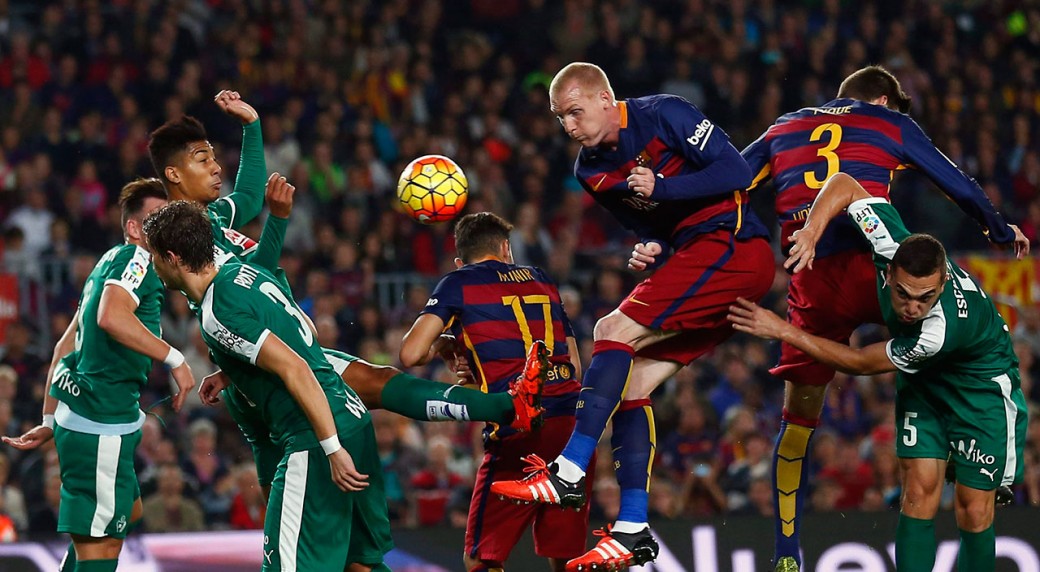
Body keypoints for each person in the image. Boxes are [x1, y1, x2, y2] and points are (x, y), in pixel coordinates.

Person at [739, 65, 1029, 572]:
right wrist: (997, 227)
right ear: (881, 100)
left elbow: (731, 185)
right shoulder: (887, 121)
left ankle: (786, 551)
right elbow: (953, 179)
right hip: (877, 269)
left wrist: (673, 237)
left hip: (812, 278)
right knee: (929, 345)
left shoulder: (783, 126)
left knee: (799, 421)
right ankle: (973, 445)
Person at [490, 62, 774, 571]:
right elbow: (651, 222)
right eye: (560, 118)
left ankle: (569, 470)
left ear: (605, 99)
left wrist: (662, 187)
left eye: (575, 112)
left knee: (610, 330)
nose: (569, 126)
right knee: (633, 380)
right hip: (700, 256)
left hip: (733, 247)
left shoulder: (665, 113)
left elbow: (736, 173)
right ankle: (633, 527)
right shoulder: (589, 171)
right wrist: (652, 245)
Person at [148, 97, 544, 434]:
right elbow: (252, 281)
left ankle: (507, 408)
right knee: (361, 405)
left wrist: (252, 125)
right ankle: (508, 407)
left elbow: (250, 197)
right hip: (278, 366)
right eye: (203, 159)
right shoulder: (186, 239)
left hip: (275, 351)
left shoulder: (212, 219)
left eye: (214, 157)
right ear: (173, 173)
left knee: (379, 383)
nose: (217, 167)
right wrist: (279, 220)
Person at [142, 200, 389, 572]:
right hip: (353, 419)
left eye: (154, 256)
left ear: (173, 258)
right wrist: (232, 370)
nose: (152, 265)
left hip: (315, 437)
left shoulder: (216, 312)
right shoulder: (244, 272)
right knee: (360, 565)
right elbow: (306, 332)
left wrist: (331, 448)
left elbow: (296, 368)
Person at [2, 179, 195, 572]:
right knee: (102, 548)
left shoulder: (108, 263)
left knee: (128, 512)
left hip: (93, 417)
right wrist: (175, 358)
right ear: (134, 228)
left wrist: (49, 419)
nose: (167, 225)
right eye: (157, 217)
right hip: (100, 423)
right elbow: (110, 318)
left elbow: (64, 346)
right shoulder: (136, 259)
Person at [399, 212, 586, 572]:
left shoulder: (458, 282)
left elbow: (410, 354)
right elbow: (573, 364)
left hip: (521, 428)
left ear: (460, 261)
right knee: (565, 554)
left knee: (481, 556)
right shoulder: (542, 279)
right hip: (572, 427)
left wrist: (442, 343)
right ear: (505, 248)